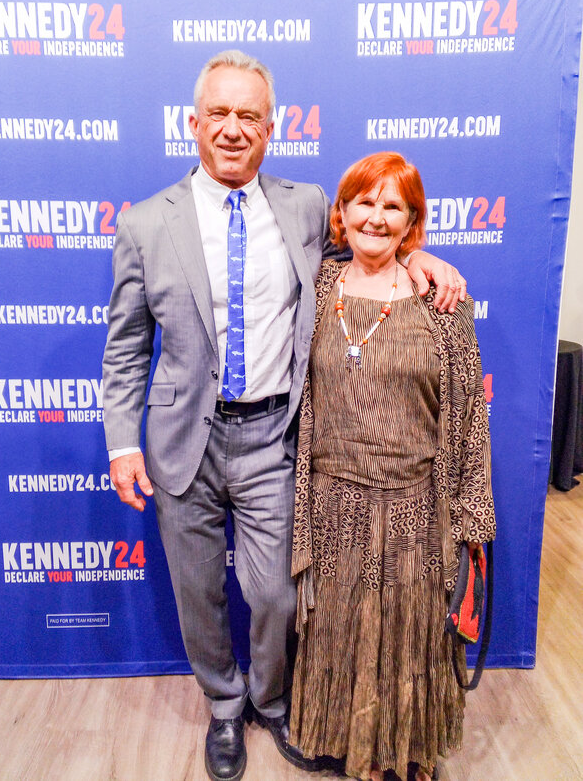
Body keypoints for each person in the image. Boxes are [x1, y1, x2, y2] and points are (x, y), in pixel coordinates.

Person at [102, 52, 466, 781]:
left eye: (250, 117)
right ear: (194, 123)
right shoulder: (146, 224)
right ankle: (225, 708)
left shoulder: (303, 205)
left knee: (273, 591)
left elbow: (368, 250)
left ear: (272, 128)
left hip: (274, 436)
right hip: (183, 442)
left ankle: (271, 698)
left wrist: (426, 259)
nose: (234, 130)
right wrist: (121, 442)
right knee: (200, 592)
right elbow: (126, 346)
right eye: (220, 114)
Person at [288, 152, 496, 781]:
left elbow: (466, 421)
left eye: (392, 206)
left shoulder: (442, 302)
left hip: (416, 506)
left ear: (411, 222)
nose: (375, 217)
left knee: (411, 637)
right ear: (341, 213)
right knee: (344, 632)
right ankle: (358, 750)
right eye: (364, 202)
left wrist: (471, 522)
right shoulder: (316, 288)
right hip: (334, 504)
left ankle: (407, 747)